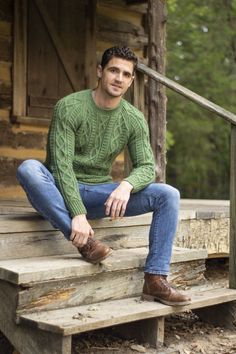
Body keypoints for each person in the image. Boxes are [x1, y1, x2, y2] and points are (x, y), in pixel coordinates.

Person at [17, 46, 191, 306]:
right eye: (113, 70)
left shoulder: (133, 119)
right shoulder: (69, 107)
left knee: (168, 195)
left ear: (131, 80)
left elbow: (146, 165)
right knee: (28, 168)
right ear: (100, 71)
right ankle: (85, 243)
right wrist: (76, 214)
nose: (118, 78)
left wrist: (126, 185)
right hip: (57, 191)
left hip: (99, 194)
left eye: (125, 74)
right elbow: (61, 166)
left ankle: (155, 279)